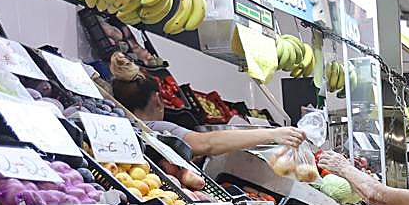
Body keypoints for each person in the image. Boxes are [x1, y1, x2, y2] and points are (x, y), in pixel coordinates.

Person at [111, 68, 304, 158]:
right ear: (156, 99)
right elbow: (207, 143)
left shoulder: (121, 128)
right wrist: (273, 133)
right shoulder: (155, 127)